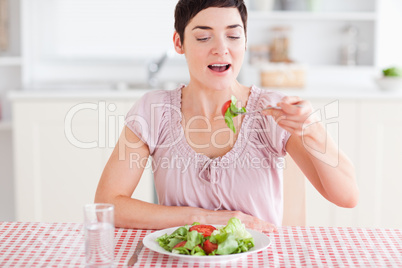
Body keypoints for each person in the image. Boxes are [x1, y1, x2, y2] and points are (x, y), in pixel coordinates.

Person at [95, 0, 359, 232]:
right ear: (179, 43)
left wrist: (312, 128)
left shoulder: (273, 110)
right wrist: (202, 218)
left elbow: (347, 196)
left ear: (245, 41)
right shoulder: (154, 111)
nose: (221, 49)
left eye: (233, 36)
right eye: (203, 37)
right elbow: (107, 205)